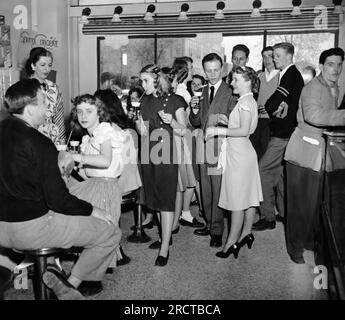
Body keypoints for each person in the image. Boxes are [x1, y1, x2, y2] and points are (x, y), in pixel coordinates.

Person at [0, 79, 121, 299]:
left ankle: (17, 272)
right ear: (30, 107)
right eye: (44, 103)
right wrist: (95, 210)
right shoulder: (39, 142)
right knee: (110, 232)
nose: (48, 109)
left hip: (1, 229)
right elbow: (59, 200)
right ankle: (68, 286)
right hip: (30, 230)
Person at [284, 48, 345, 264]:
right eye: (330, 64)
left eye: (339, 64)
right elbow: (314, 115)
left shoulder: (334, 87)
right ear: (321, 66)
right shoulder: (312, 88)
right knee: (299, 205)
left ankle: (310, 241)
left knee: (315, 203)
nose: (335, 69)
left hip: (321, 154)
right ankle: (295, 248)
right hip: (303, 153)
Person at [206, 66, 262, 258]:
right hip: (242, 152)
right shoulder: (247, 100)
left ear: (248, 81)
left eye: (236, 80)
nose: (231, 83)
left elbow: (244, 130)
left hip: (239, 155)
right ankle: (246, 234)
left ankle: (230, 244)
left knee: (237, 201)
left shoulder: (245, 102)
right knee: (248, 197)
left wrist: (218, 130)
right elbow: (241, 126)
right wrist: (227, 121)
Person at [68, 94, 126, 278]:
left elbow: (106, 161)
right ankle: (84, 275)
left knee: (98, 233)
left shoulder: (105, 130)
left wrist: (79, 157)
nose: (83, 116)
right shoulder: (88, 138)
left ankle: (88, 278)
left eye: (89, 111)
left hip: (106, 188)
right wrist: (72, 166)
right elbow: (88, 174)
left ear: (99, 113)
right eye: (79, 112)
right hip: (94, 184)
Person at [135, 64, 187, 266]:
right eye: (141, 80)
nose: (142, 84)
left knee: (165, 201)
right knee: (154, 200)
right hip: (148, 153)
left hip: (166, 153)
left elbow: (183, 130)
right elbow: (143, 131)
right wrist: (139, 126)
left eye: (145, 80)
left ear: (158, 81)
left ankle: (165, 247)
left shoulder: (176, 101)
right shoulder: (144, 100)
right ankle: (165, 235)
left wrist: (172, 122)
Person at [253, 42, 304, 231]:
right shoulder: (289, 74)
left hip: (282, 134)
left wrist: (271, 108)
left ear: (289, 56)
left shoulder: (290, 74)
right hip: (286, 133)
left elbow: (272, 103)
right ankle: (283, 213)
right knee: (281, 175)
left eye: (277, 56)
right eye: (273, 55)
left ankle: (268, 217)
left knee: (262, 171)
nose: (274, 59)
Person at [189, 53, 237, 248]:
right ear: (204, 71)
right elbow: (196, 123)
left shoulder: (231, 91)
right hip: (203, 145)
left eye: (216, 70)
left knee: (217, 190)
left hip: (220, 145)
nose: (213, 74)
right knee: (206, 189)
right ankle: (209, 223)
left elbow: (235, 121)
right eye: (209, 70)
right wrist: (193, 111)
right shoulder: (201, 90)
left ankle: (217, 230)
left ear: (222, 69)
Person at [169, 60, 203, 232]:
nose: (193, 70)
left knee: (188, 176)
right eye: (190, 68)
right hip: (185, 135)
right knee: (189, 176)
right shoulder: (181, 91)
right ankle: (185, 212)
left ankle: (183, 212)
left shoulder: (183, 89)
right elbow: (188, 118)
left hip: (185, 134)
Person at [25, 47, 66, 145]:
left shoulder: (54, 88)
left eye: (49, 65)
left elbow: (59, 117)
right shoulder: (24, 88)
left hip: (52, 138)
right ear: (33, 66)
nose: (47, 69)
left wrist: (62, 142)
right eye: (42, 65)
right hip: (31, 137)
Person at [250, 46, 280, 160]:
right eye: (264, 57)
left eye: (270, 56)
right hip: (258, 121)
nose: (267, 60)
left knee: (267, 155)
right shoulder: (260, 76)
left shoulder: (281, 76)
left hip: (272, 122)